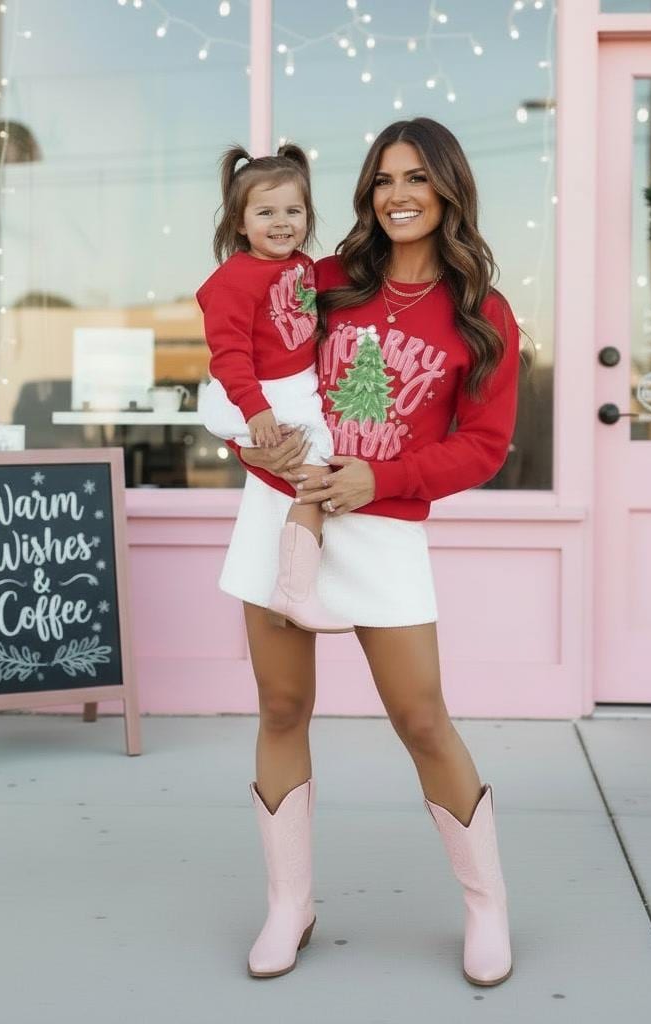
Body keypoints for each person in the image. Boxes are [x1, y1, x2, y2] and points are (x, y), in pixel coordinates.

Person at [222, 118, 521, 986]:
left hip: (382, 525)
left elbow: (484, 446)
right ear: (367, 192)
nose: (399, 194)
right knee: (281, 709)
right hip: (283, 514)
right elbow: (243, 365)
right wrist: (257, 446)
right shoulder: (319, 283)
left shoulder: (482, 313)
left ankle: (486, 907)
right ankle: (290, 905)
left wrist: (380, 479)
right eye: (385, 178)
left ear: (449, 191)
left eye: (418, 178)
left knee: (422, 719)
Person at [196, 143, 350, 633]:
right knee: (315, 475)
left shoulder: (303, 267)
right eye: (266, 212)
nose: (282, 222)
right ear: (241, 223)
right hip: (263, 391)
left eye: (294, 210)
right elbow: (230, 354)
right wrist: (255, 411)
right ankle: (294, 591)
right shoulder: (234, 280)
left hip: (293, 385)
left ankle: (291, 586)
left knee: (311, 476)